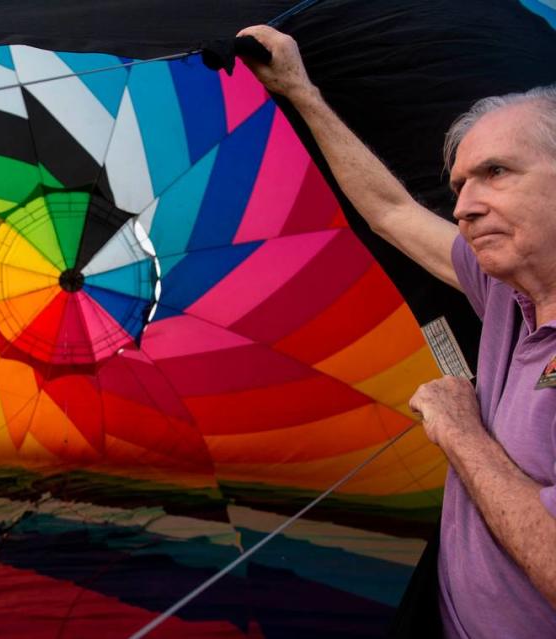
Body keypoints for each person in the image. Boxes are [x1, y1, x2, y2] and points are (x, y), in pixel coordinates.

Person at [235, 24, 556, 639]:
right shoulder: (503, 289)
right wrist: (300, 92)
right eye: (460, 185)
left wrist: (461, 433)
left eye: (496, 172)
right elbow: (391, 212)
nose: (463, 206)